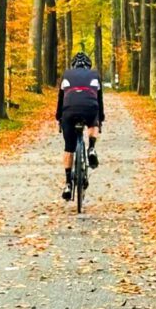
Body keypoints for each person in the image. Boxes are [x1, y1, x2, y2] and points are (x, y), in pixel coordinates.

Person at [55, 51, 105, 201]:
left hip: (69, 111)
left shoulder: (66, 75)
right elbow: (99, 100)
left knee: (68, 148)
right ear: (88, 66)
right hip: (90, 108)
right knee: (93, 118)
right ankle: (91, 147)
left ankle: (68, 184)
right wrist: (100, 119)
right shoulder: (95, 75)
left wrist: (59, 117)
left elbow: (61, 99)